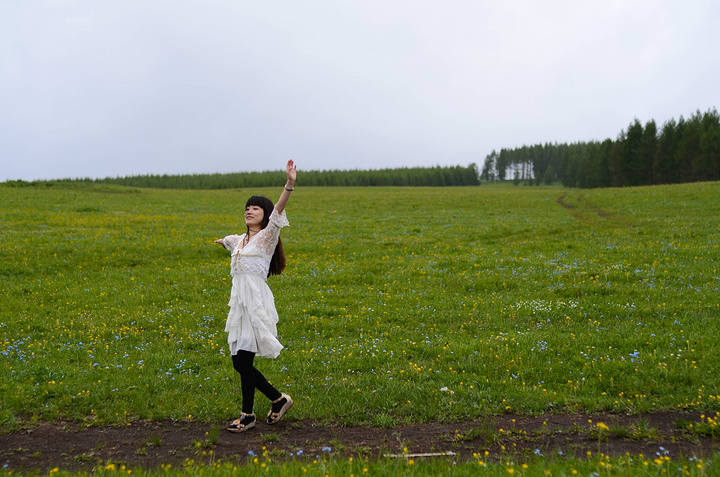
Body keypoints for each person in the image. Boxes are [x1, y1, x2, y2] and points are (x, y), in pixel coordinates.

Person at [214, 159, 297, 432]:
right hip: (239, 302)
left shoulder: (267, 236)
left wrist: (289, 184)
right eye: (247, 208)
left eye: (256, 208)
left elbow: (280, 210)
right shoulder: (240, 240)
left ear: (265, 213)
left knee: (242, 360)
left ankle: (248, 415)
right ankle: (277, 398)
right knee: (239, 360)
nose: (250, 211)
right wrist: (222, 241)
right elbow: (230, 241)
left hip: (255, 302)